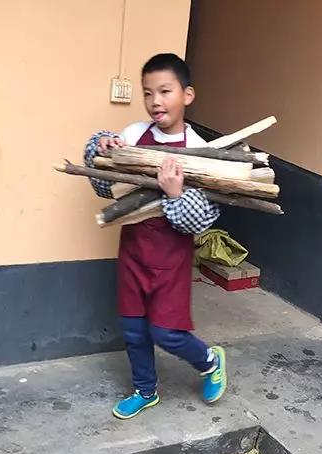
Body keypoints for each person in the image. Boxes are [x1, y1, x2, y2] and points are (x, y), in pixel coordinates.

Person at [84, 53, 226, 420]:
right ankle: (145, 390)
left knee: (166, 332)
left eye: (165, 91)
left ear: (187, 95)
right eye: (148, 93)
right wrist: (103, 150)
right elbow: (105, 186)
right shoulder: (134, 135)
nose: (155, 101)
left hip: (171, 257)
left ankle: (210, 361)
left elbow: (201, 221)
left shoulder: (201, 151)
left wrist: (176, 195)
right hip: (134, 250)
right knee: (133, 329)